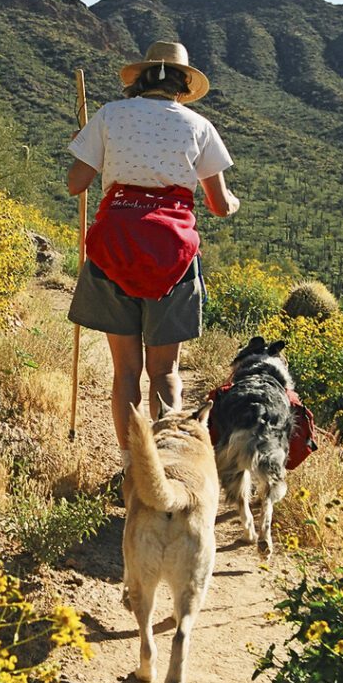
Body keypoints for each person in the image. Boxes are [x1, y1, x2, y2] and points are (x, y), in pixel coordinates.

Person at [67, 41, 239, 456]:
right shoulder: (199, 126)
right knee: (165, 372)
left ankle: (132, 466)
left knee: (126, 370)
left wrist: (91, 146)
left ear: (141, 80)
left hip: (113, 247)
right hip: (172, 253)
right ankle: (165, 460)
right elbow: (218, 205)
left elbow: (76, 184)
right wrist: (232, 202)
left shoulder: (110, 115)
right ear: (183, 86)